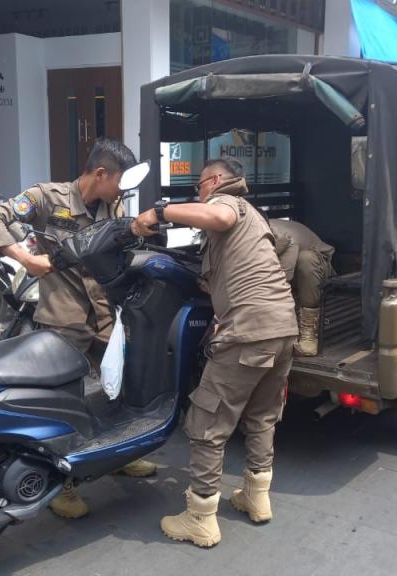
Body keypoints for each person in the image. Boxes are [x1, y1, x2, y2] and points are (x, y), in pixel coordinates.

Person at [0, 138, 157, 519]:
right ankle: (62, 485)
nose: (122, 191)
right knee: (65, 405)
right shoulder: (46, 197)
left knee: (118, 390)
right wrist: (25, 257)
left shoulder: (113, 204)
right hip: (63, 316)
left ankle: (118, 455)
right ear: (100, 173)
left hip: (106, 315)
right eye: (119, 181)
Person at [132, 157, 298, 548]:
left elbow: (219, 217)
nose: (198, 194)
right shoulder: (256, 219)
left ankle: (200, 517)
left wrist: (159, 211)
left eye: (200, 185)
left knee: (208, 424)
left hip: (249, 333)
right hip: (281, 328)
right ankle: (256, 497)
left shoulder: (231, 205)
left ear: (217, 180)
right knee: (261, 416)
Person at [266, 218, 335, 356]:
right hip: (294, 271)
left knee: (306, 259)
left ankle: (309, 333)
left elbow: (283, 277)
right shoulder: (255, 233)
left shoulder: (281, 237)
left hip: (318, 267)